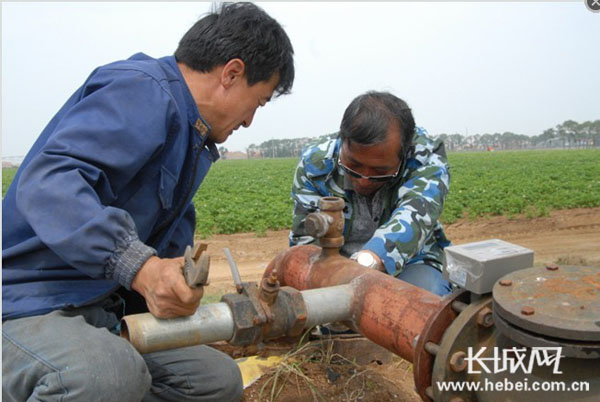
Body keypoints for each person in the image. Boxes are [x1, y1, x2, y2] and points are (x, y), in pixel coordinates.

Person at [2, 3, 294, 401]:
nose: (249, 123)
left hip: (101, 307)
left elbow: (165, 247)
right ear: (232, 73)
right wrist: (138, 265)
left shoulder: (191, 138)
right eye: (257, 103)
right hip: (27, 301)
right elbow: (49, 182)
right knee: (107, 376)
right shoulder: (143, 91)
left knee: (214, 381)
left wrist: (172, 284)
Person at [290, 91, 452, 297]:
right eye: (354, 166)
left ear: (403, 154)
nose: (363, 180)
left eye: (380, 172)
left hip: (411, 261)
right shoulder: (316, 162)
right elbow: (306, 241)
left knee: (422, 306)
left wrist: (362, 267)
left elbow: (414, 217)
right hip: (335, 265)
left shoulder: (425, 156)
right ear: (343, 141)